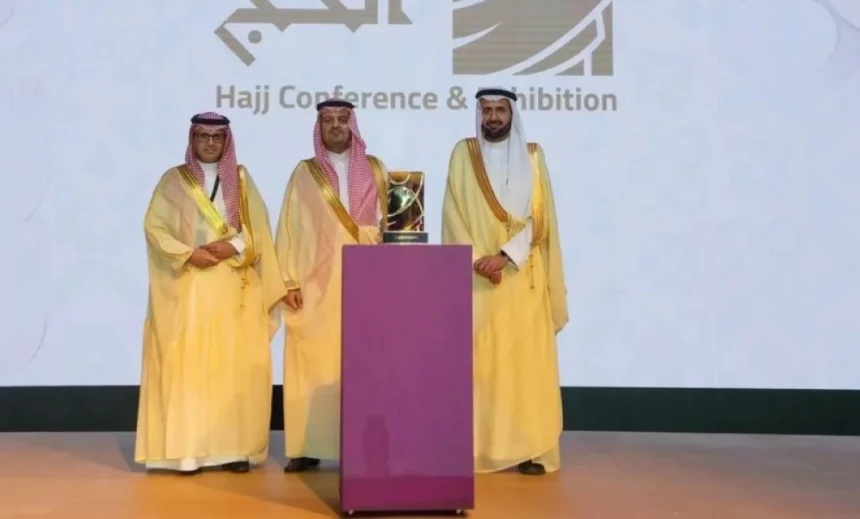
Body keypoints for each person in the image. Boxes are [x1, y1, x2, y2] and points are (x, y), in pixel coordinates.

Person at [135, 112, 286, 475]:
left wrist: (233, 246)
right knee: (190, 369)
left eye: (216, 137)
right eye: (202, 136)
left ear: (226, 141)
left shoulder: (241, 180)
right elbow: (155, 228)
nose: (209, 143)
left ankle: (233, 450)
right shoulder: (173, 181)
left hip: (234, 291)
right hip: (190, 290)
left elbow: (259, 232)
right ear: (193, 139)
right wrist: (189, 254)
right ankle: (188, 453)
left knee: (233, 370)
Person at [441, 88, 569, 476]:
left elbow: (541, 220)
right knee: (481, 366)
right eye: (487, 111)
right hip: (477, 279)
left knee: (525, 366)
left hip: (521, 276)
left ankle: (531, 449)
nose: (493, 117)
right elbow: (452, 212)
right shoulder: (463, 154)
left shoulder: (533, 156)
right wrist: (477, 259)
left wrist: (505, 256)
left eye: (500, 110)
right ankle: (480, 446)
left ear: (512, 114)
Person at [275, 99, 389, 472]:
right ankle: (307, 446)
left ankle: (365, 445)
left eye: (342, 119)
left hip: (368, 283)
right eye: (328, 120)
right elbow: (288, 227)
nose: (336, 125)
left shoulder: (376, 169)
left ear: (352, 125)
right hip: (315, 284)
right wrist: (288, 279)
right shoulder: (304, 172)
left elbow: (393, 223)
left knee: (367, 363)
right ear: (319, 127)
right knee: (313, 363)